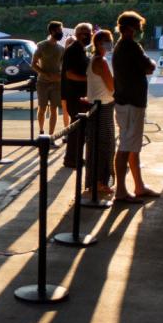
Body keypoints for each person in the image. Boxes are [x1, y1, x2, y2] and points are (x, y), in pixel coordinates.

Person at [111, 11, 159, 202]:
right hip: (131, 103)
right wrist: (150, 62)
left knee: (132, 146)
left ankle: (138, 186)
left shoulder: (121, 47)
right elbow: (150, 67)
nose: (140, 29)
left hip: (127, 101)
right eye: (138, 26)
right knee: (126, 146)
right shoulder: (131, 46)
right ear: (131, 28)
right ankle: (121, 191)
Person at [84, 29, 116, 198]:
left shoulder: (93, 60)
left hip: (96, 105)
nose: (110, 43)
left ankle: (95, 181)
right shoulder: (101, 61)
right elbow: (111, 86)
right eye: (108, 40)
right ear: (98, 43)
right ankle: (101, 182)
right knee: (105, 145)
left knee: (95, 145)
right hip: (103, 107)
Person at [60, 23, 91, 168]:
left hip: (81, 95)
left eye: (89, 32)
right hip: (74, 95)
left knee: (80, 129)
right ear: (77, 34)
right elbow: (69, 74)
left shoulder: (81, 50)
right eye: (84, 32)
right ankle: (71, 158)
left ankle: (75, 157)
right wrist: (89, 79)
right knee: (77, 129)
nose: (88, 35)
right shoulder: (73, 50)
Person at [30, 20, 65, 143]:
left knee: (54, 109)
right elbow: (33, 64)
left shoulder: (61, 49)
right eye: (59, 30)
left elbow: (64, 66)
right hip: (42, 83)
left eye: (61, 30)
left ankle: (51, 136)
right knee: (42, 107)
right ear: (52, 31)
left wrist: (60, 76)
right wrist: (46, 74)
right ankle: (41, 132)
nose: (61, 33)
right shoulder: (41, 46)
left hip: (57, 83)